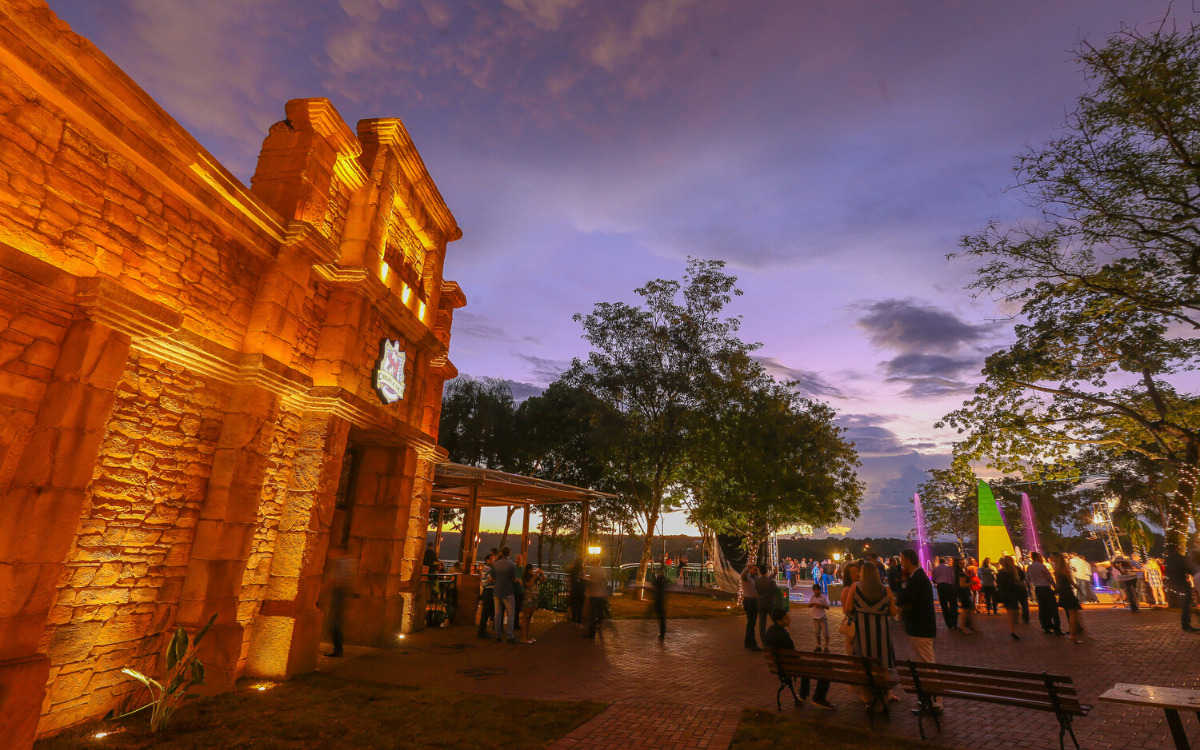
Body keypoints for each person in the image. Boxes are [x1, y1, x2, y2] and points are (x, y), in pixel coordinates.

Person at [845, 562, 899, 703]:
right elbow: (893, 612)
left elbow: (848, 608)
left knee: (864, 666)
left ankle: (867, 696)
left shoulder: (855, 587)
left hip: (862, 633)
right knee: (883, 666)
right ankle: (886, 694)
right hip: (882, 633)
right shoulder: (886, 590)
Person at [896, 549, 941, 713]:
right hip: (922, 626)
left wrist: (901, 601)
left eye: (902, 559)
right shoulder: (918, 577)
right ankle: (930, 699)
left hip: (919, 627)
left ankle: (934, 702)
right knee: (925, 662)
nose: (901, 562)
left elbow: (904, 599)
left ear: (909, 560)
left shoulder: (917, 578)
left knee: (926, 664)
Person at [764, 607, 836, 710]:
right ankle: (819, 697)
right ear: (779, 621)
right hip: (792, 666)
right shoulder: (783, 634)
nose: (789, 619)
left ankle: (802, 695)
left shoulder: (770, 631)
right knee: (826, 666)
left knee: (804, 664)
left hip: (781, 666)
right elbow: (793, 654)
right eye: (786, 618)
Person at [324, 548, 355, 657]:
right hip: (341, 592)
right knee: (336, 622)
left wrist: (324, 589)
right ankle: (338, 648)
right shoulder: (348, 561)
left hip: (339, 592)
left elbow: (335, 579)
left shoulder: (341, 562)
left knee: (335, 622)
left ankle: (338, 649)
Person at [1026, 552, 1062, 635]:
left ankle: (1046, 626)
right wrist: (1055, 587)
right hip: (1046, 588)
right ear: (1037, 557)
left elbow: (1027, 579)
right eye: (1040, 557)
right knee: (1053, 608)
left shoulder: (1030, 567)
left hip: (1038, 588)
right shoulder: (1042, 566)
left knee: (1043, 608)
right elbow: (1050, 578)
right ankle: (1057, 628)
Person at [1165, 549, 1199, 632]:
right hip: (1181, 583)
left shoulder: (1169, 559)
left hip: (1173, 583)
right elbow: (1186, 568)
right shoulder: (1178, 558)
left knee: (1186, 603)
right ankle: (1186, 623)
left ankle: (1186, 623)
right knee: (1186, 603)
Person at [1053, 553, 1084, 645]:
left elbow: (1057, 583)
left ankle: (1073, 633)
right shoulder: (1064, 569)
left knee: (1071, 613)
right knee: (1073, 614)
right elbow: (1070, 581)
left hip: (1062, 592)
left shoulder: (1056, 570)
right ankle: (1073, 635)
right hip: (1068, 592)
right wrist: (1078, 588)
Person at [491, 547, 518, 644]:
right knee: (511, 614)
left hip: (497, 591)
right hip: (507, 591)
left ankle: (498, 635)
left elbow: (492, 577)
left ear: (501, 553)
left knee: (497, 614)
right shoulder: (512, 565)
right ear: (509, 554)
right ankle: (509, 636)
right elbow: (514, 579)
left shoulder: (495, 564)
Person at [996, 555, 1024, 640]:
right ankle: (1016, 626)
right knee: (1016, 610)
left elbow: (998, 582)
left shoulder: (1001, 572)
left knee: (1009, 612)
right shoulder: (1016, 570)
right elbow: (1023, 578)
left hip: (1005, 593)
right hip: (1015, 592)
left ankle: (1012, 630)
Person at [839, 562, 862, 654]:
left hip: (861, 622)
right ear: (848, 576)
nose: (856, 574)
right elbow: (846, 610)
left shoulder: (860, 586)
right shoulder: (847, 589)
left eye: (857, 571)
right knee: (851, 644)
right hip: (854, 623)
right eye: (853, 572)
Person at [584, 558, 609, 638]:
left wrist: (587, 580)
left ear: (594, 562)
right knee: (599, 610)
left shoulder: (593, 570)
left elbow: (593, 580)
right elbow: (604, 580)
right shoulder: (602, 570)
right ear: (600, 562)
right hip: (601, 594)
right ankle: (598, 623)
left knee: (592, 613)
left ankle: (592, 632)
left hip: (594, 594)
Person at [756, 565, 780, 646]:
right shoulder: (771, 582)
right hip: (770, 603)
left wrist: (774, 574)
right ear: (766, 571)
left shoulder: (757, 581)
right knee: (776, 621)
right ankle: (778, 638)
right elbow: (775, 588)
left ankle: (764, 643)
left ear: (760, 571)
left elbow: (765, 579)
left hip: (761, 603)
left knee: (762, 624)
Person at [520, 564, 544, 643]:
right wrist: (536, 574)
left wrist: (542, 573)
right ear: (527, 570)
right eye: (530, 570)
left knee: (529, 618)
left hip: (534, 599)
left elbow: (543, 580)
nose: (532, 571)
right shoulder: (525, 577)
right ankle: (523, 637)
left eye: (532, 569)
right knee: (525, 617)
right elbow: (529, 584)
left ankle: (527, 636)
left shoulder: (534, 576)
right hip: (528, 598)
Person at [931, 557, 958, 630]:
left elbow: (933, 580)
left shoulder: (935, 569)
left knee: (944, 605)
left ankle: (948, 624)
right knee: (953, 604)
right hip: (949, 586)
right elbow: (953, 578)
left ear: (939, 562)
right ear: (945, 562)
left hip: (940, 587)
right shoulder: (950, 568)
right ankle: (954, 623)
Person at [955, 559, 979, 634]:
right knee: (966, 610)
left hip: (964, 593)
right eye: (961, 563)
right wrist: (972, 583)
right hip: (964, 593)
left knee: (969, 609)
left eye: (964, 562)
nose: (963, 564)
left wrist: (968, 576)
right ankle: (962, 626)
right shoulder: (960, 573)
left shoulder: (960, 572)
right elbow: (962, 585)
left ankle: (970, 625)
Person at [741, 564, 762, 650]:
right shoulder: (746, 577)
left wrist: (773, 574)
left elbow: (763, 580)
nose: (756, 571)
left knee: (751, 623)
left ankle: (748, 642)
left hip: (754, 601)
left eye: (757, 570)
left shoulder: (755, 578)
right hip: (749, 602)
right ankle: (752, 644)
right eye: (754, 569)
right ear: (750, 569)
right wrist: (748, 567)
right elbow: (743, 574)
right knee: (751, 623)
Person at [476, 552, 496, 639]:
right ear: (487, 560)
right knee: (485, 612)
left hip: (487, 591)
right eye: (491, 559)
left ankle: (482, 631)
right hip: (488, 591)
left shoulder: (487, 568)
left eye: (493, 559)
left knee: (486, 612)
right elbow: (490, 580)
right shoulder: (487, 568)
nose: (493, 561)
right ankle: (481, 632)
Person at [809, 582, 830, 652]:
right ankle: (818, 645)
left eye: (817, 590)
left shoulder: (823, 598)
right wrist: (813, 604)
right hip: (815, 617)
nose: (816, 591)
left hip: (822, 617)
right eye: (815, 590)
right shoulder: (812, 597)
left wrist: (821, 605)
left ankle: (826, 646)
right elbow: (809, 605)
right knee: (817, 632)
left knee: (825, 632)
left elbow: (827, 607)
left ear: (820, 590)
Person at [568, 558, 586, 627]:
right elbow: (583, 580)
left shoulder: (573, 571)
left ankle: (574, 621)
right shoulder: (581, 571)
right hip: (580, 591)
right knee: (580, 607)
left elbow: (571, 581)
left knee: (574, 607)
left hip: (574, 591)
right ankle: (579, 622)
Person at [651, 568, 668, 639]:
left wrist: (653, 575)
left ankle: (662, 633)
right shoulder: (664, 579)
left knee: (661, 617)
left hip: (658, 599)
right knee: (661, 617)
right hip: (661, 599)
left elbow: (655, 583)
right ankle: (662, 632)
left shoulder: (659, 579)